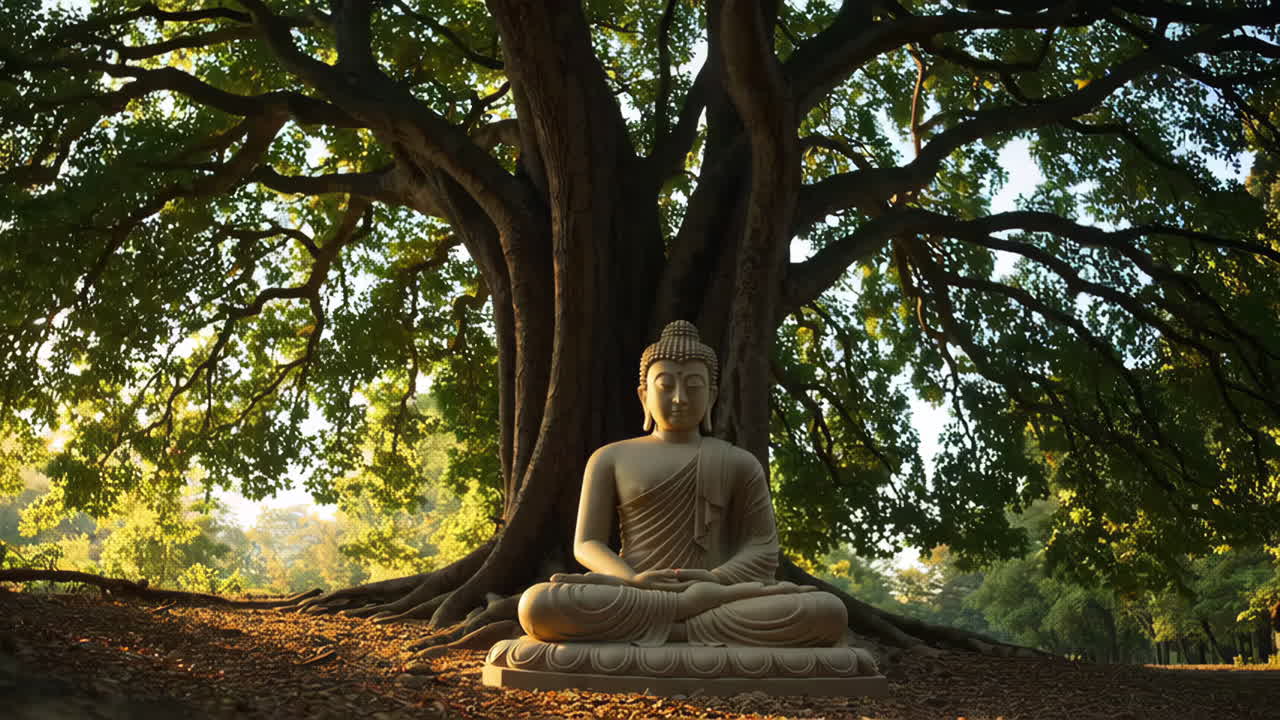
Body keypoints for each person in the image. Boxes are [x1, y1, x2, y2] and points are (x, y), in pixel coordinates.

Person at [517, 320, 847, 647]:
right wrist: (632, 579)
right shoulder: (609, 458)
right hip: (635, 593)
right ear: (644, 395)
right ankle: (687, 630)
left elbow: (763, 549)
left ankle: (669, 630)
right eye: (665, 385)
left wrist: (715, 581)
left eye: (693, 386)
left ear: (713, 395)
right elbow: (587, 543)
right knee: (539, 606)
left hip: (717, 595)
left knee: (826, 612)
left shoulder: (738, 462)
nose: (679, 398)